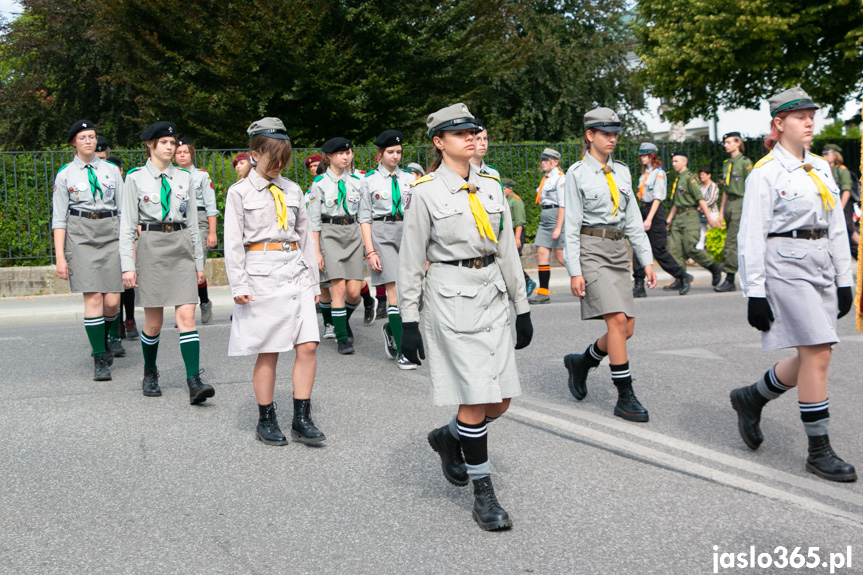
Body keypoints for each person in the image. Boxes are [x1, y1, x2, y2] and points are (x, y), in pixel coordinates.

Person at [399, 103, 533, 531]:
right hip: (451, 298)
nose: (472, 138)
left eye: (474, 131)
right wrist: (407, 320)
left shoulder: (493, 188)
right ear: (439, 142)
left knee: (502, 398)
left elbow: (507, 252)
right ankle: (483, 495)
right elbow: (410, 259)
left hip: (492, 296)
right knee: (475, 398)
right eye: (460, 134)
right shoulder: (424, 192)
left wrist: (522, 307)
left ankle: (448, 437)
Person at [732, 86, 855, 482]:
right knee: (818, 350)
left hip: (819, 267)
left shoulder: (821, 168)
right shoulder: (765, 173)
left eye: (811, 115)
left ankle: (751, 397)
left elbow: (836, 227)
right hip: (784, 267)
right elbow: (750, 235)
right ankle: (818, 451)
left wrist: (844, 278)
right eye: (800, 116)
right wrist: (754, 292)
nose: (809, 122)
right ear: (778, 123)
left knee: (811, 354)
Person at [224, 117, 325, 446]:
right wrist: (239, 284)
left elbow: (305, 238)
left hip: (294, 269)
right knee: (269, 351)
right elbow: (233, 243)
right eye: (273, 158)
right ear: (254, 154)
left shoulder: (293, 189)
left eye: (284, 159)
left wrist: (313, 283)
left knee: (308, 345)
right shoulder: (239, 193)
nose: (279, 165)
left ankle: (302, 418)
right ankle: (266, 418)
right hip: (261, 274)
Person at [561, 107, 657, 422]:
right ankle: (625, 396)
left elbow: (633, 222)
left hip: (618, 251)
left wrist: (647, 260)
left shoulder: (624, 172)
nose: (612, 139)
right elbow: (571, 226)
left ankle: (583, 362)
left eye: (615, 133)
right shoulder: (576, 174)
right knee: (616, 322)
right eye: (606, 133)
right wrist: (574, 270)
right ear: (590, 136)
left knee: (627, 328)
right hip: (591, 251)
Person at [119, 121, 215, 404]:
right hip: (151, 246)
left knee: (187, 317)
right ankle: (150, 372)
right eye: (164, 143)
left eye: (173, 143)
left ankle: (194, 381)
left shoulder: (186, 178)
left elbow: (194, 226)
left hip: (181, 245)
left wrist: (199, 264)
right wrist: (128, 265)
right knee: (154, 323)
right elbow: (126, 226)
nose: (170, 148)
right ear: (150, 145)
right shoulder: (135, 178)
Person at [52, 120, 126, 381]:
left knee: (112, 301)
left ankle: (106, 336)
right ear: (74, 142)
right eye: (83, 137)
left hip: (110, 232)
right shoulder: (64, 175)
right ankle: (99, 358)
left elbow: (124, 211)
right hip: (81, 233)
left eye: (92, 137)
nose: (88, 141)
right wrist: (60, 257)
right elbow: (59, 218)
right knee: (93, 298)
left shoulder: (111, 171)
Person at [358, 129, 417, 369]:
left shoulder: (410, 180)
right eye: (390, 152)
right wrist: (370, 251)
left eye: (399, 152)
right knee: (393, 289)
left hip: (407, 232)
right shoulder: (368, 180)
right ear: (380, 153)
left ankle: (392, 329)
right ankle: (405, 352)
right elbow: (364, 218)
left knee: (410, 292)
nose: (395, 156)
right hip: (382, 233)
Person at [308, 137, 365, 354]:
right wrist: (316, 251)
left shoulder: (358, 182)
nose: (345, 156)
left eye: (348, 152)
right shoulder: (319, 184)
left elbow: (364, 216)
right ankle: (342, 339)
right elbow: (313, 221)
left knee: (354, 292)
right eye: (340, 153)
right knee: (338, 288)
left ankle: (342, 321)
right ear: (329, 157)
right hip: (329, 233)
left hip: (352, 233)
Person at [632, 142, 689, 297]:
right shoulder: (645, 174)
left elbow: (658, 198)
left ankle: (682, 276)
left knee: (659, 250)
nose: (642, 158)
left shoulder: (659, 173)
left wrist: (649, 219)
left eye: (645, 155)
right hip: (644, 210)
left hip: (655, 213)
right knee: (638, 247)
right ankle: (638, 284)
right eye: (641, 155)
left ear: (652, 156)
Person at [175, 138, 219, 324]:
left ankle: (204, 302)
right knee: (181, 268)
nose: (182, 155)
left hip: (200, 220)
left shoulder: (201, 175)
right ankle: (185, 311)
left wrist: (212, 232)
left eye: (185, 151)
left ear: (192, 154)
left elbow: (211, 206)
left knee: (195, 267)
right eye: (179, 152)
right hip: (179, 221)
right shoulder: (170, 176)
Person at [666, 151, 723, 288]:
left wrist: (709, 218)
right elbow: (676, 202)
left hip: (690, 216)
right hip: (678, 217)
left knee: (690, 248)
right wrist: (668, 220)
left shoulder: (689, 178)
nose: (673, 164)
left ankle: (713, 267)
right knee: (675, 249)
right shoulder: (679, 178)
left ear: (684, 162)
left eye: (676, 161)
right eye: (673, 161)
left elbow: (700, 199)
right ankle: (681, 278)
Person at [715, 132, 754, 292]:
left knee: (731, 242)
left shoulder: (745, 163)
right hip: (730, 204)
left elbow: (752, 187)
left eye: (729, 142)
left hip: (740, 202)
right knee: (734, 241)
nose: (726, 145)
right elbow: (725, 189)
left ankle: (730, 277)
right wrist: (722, 210)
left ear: (738, 143)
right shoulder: (727, 164)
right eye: (725, 142)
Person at [528, 148, 566, 304]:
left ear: (555, 162)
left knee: (561, 257)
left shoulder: (560, 179)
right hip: (545, 218)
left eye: (546, 160)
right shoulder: (546, 178)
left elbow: (563, 205)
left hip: (557, 217)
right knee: (542, 253)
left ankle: (585, 284)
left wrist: (558, 227)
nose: (543, 163)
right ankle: (544, 292)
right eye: (542, 160)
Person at [502, 178, 536, 296]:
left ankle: (528, 282)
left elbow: (519, 222)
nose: (501, 190)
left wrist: (517, 239)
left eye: (503, 188)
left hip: (516, 233)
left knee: (513, 262)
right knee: (509, 263)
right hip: (508, 234)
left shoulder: (516, 201)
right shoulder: (504, 200)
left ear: (510, 189)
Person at [822, 143, 858, 255]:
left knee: (849, 228)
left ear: (835, 155)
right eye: (823, 154)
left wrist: (840, 208)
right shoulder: (824, 170)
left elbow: (846, 191)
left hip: (844, 204)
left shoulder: (842, 171)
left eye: (827, 154)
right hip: (831, 205)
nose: (824, 156)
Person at [696, 165, 719, 250]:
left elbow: (712, 199)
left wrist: (701, 206)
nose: (701, 176)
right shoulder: (701, 187)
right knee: (701, 235)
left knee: (711, 235)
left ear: (709, 175)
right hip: (702, 214)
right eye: (701, 175)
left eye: (703, 174)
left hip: (712, 213)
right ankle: (698, 255)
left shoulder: (713, 186)